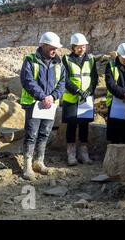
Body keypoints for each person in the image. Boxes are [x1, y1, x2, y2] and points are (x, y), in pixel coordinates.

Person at [20, 32, 66, 181]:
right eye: (52, 47)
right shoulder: (30, 60)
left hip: (49, 105)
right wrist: (42, 96)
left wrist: (52, 97)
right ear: (43, 45)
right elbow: (27, 80)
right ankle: (27, 166)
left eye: (56, 48)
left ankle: (39, 161)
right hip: (34, 104)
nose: (55, 51)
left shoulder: (58, 62)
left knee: (44, 133)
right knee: (31, 134)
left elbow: (62, 83)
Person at [62, 33, 98, 166]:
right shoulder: (66, 59)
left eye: (83, 46)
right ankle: (71, 155)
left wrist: (89, 91)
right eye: (79, 47)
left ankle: (84, 154)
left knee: (84, 125)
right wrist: (77, 91)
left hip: (86, 99)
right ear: (73, 47)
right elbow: (64, 79)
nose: (82, 49)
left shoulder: (91, 59)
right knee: (71, 125)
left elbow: (94, 78)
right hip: (71, 98)